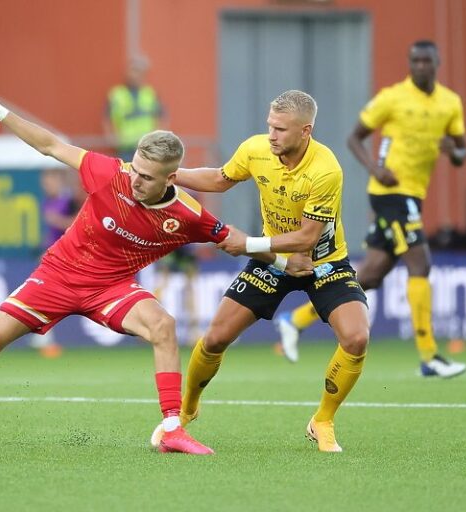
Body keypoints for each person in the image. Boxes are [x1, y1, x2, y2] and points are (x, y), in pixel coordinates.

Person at [0, 76, 313, 455]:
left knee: (163, 327)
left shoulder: (187, 215)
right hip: (57, 277)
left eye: (147, 176)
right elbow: (50, 144)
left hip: (111, 288)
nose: (135, 179)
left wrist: (281, 259)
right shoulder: (109, 172)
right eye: (135, 167)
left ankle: (171, 429)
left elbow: (235, 242)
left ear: (172, 178)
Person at [151, 90, 370, 453]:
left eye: (281, 129)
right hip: (275, 261)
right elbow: (221, 178)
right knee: (217, 337)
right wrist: (171, 175)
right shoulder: (256, 149)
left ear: (306, 131)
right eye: (270, 126)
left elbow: (307, 238)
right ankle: (186, 411)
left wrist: (248, 244)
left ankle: (323, 420)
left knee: (357, 338)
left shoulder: (326, 170)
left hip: (324, 262)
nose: (271, 135)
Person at [276, 40, 466, 379]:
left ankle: (296, 320)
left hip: (414, 194)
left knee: (373, 273)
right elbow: (355, 137)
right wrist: (375, 169)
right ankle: (429, 356)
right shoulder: (392, 98)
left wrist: (452, 150)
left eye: (427, 61)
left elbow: (461, 154)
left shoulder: (450, 103)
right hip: (390, 192)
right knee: (420, 262)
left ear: (437, 62)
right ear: (410, 64)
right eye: (415, 61)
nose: (421, 66)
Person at [27, 167, 76, 358]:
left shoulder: (69, 200)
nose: (47, 184)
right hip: (52, 255)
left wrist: (59, 221)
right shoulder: (48, 201)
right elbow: (53, 232)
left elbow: (78, 223)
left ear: (59, 181)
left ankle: (44, 335)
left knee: (46, 293)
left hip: (67, 256)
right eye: (45, 182)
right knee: (41, 293)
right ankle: (43, 335)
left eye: (50, 181)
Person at [103, 56, 166, 161]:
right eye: (133, 70)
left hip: (147, 147)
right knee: (127, 175)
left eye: (139, 72)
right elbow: (106, 119)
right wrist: (111, 139)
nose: (135, 75)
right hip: (125, 148)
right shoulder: (116, 94)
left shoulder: (150, 93)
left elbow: (162, 117)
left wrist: (157, 139)